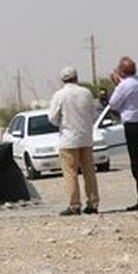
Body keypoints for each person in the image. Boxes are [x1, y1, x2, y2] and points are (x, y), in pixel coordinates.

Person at [47, 66, 99, 216]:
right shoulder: (86, 93)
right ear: (77, 78)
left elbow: (52, 118)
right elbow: (94, 115)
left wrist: (63, 123)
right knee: (89, 171)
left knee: (71, 173)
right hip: (86, 138)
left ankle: (74, 205)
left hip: (68, 140)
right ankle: (93, 203)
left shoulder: (60, 95)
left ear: (62, 80)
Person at [108, 56, 138, 211]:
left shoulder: (124, 86)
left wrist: (116, 84)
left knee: (137, 164)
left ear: (121, 71)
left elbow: (113, 104)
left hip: (134, 127)